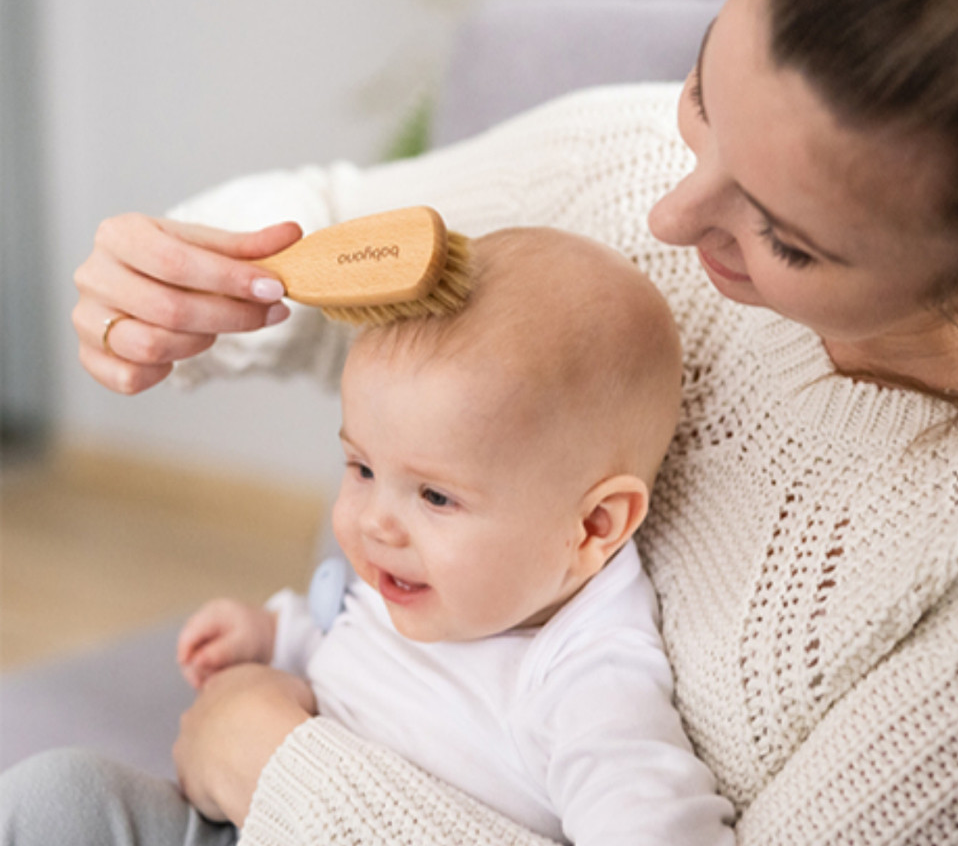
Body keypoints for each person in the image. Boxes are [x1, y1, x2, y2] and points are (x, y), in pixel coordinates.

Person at [11, 0, 958, 843]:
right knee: (56, 798)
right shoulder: (619, 167)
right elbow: (330, 224)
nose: (667, 214)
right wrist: (176, 285)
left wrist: (277, 765)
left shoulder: (604, 674)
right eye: (703, 95)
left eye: (783, 236)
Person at [171, 226, 735, 846]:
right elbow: (356, 649)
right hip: (248, 817)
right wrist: (276, 634)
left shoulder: (588, 691)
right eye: (362, 469)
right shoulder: (436, 588)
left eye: (436, 497)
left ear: (593, 527)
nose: (375, 522)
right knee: (87, 795)